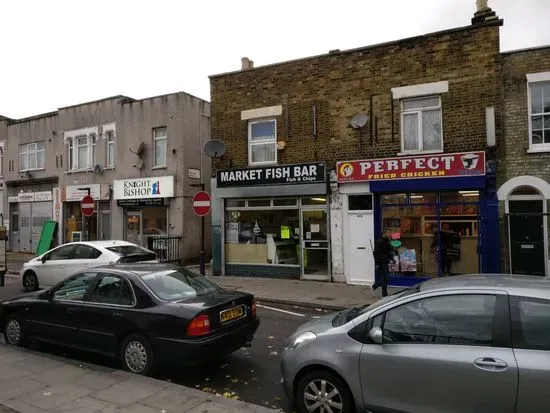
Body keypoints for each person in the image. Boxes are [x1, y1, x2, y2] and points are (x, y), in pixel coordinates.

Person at [372, 228, 396, 297]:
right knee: (386, 278)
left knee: (385, 278)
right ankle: (377, 288)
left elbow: (388, 252)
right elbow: (376, 253)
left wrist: (392, 259)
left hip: (385, 261)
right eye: (388, 233)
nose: (390, 234)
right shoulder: (379, 241)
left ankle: (383, 293)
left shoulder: (387, 241)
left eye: (390, 233)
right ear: (384, 234)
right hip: (381, 262)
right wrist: (377, 264)